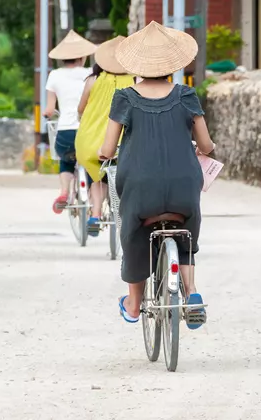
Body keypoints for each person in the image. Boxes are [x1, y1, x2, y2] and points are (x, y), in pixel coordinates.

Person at [98, 22, 215, 330]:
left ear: (136, 65)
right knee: (187, 234)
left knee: (133, 233)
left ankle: (134, 305)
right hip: (183, 187)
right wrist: (207, 146)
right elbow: (205, 144)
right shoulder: (186, 95)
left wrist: (104, 153)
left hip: (140, 187)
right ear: (173, 65)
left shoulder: (124, 97)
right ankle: (191, 294)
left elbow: (108, 148)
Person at [75, 36, 134, 236]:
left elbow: (81, 109)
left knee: (96, 176)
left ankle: (96, 213)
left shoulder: (92, 81)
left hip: (92, 141)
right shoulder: (135, 80)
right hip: (123, 142)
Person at [43, 30, 97, 214]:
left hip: (65, 133)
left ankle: (64, 193)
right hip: (88, 131)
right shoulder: (91, 73)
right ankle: (92, 204)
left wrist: (48, 113)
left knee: (66, 161)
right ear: (82, 57)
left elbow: (49, 110)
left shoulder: (55, 75)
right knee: (91, 164)